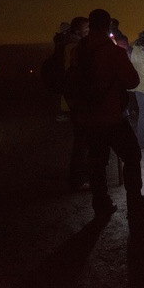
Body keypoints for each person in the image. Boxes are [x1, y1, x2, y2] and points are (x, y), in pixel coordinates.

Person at [71, 8, 144, 217]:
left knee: (97, 163)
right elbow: (133, 80)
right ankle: (135, 204)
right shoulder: (113, 52)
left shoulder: (79, 50)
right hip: (111, 116)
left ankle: (101, 205)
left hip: (87, 117)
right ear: (108, 25)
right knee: (132, 155)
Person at [63, 16, 91, 191]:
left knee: (81, 140)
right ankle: (78, 180)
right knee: (82, 141)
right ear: (78, 31)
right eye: (87, 29)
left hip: (74, 100)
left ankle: (79, 176)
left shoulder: (67, 45)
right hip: (78, 101)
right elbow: (75, 76)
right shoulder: (74, 48)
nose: (89, 32)